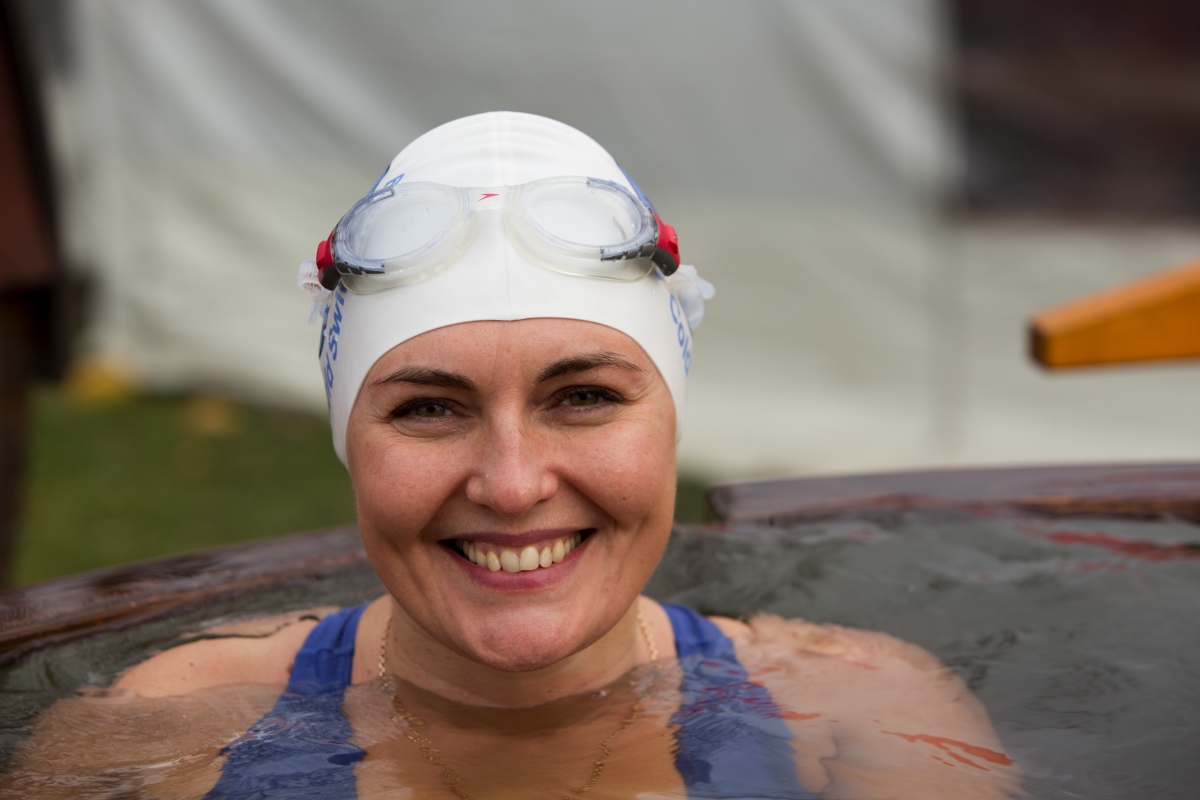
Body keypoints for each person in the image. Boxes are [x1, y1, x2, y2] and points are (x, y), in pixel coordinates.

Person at [3, 112, 1018, 799]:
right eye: (429, 408)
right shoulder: (166, 734)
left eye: (583, 398)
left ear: (671, 423)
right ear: (349, 442)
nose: (513, 483)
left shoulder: (860, 709)